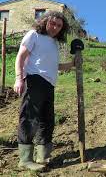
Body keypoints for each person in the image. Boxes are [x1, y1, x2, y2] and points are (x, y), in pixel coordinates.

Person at [13, 11, 74, 171]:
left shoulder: (53, 43)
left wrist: (72, 64)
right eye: (52, 23)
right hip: (34, 80)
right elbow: (20, 57)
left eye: (59, 26)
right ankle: (25, 160)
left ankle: (43, 158)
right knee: (29, 118)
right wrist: (19, 78)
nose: (55, 27)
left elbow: (54, 66)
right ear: (45, 21)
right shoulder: (34, 35)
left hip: (49, 85)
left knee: (46, 120)